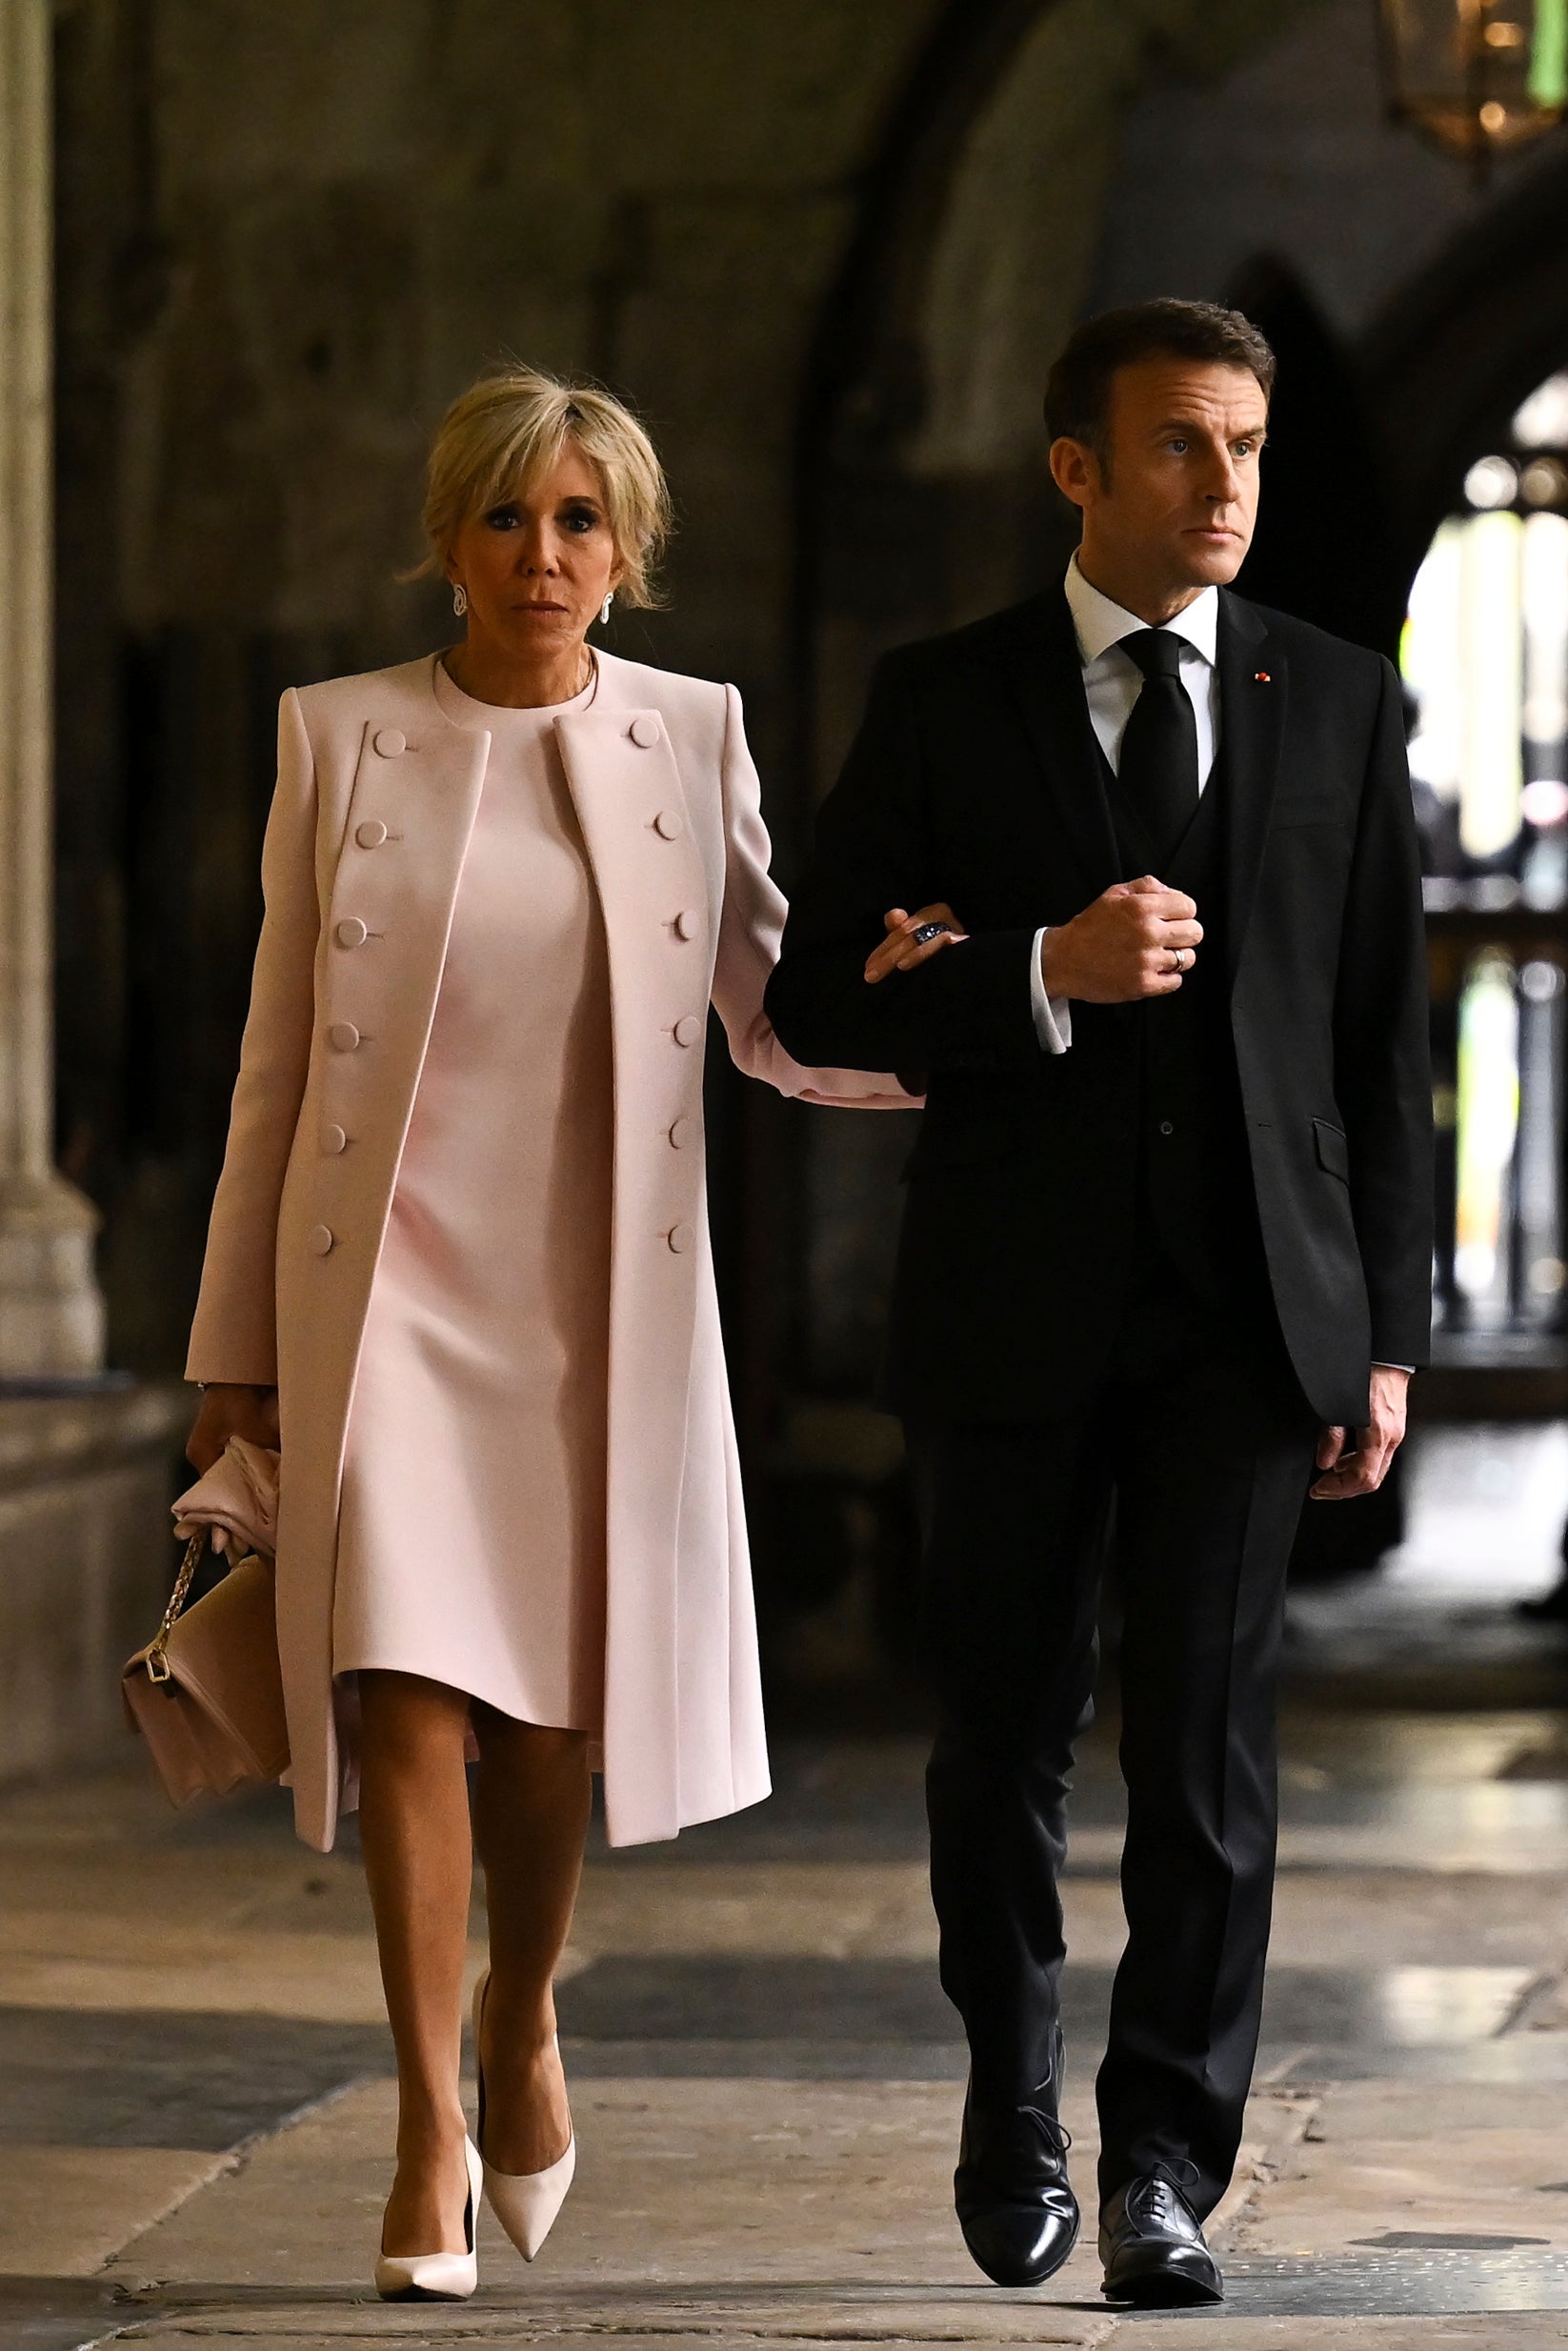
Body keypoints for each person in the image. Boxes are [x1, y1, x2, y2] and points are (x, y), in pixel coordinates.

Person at [184, 367, 917, 2301]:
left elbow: (776, 1006)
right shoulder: (337, 738)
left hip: (593, 1303)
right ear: (447, 537)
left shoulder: (693, 735)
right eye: (507, 517)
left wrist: (984, 1029)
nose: (542, 555)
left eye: (579, 520)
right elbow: (275, 1061)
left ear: (628, 550)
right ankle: (426, 2120)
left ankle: (522, 2021)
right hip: (391, 1298)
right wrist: (230, 1347)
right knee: (403, 1694)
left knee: (544, 1738)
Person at [764, 300, 1433, 2309]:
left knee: (1209, 1755)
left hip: (1245, 1313)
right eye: (1176, 448)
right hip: (1008, 1298)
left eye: (1242, 447)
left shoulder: (1336, 698)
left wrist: (1382, 1332)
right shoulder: (945, 698)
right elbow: (812, 998)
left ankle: (1163, 2162)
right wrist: (1036, 964)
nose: (1223, 485)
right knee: (997, 1740)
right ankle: (1010, 2104)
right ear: (1077, 467)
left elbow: (1377, 1041)